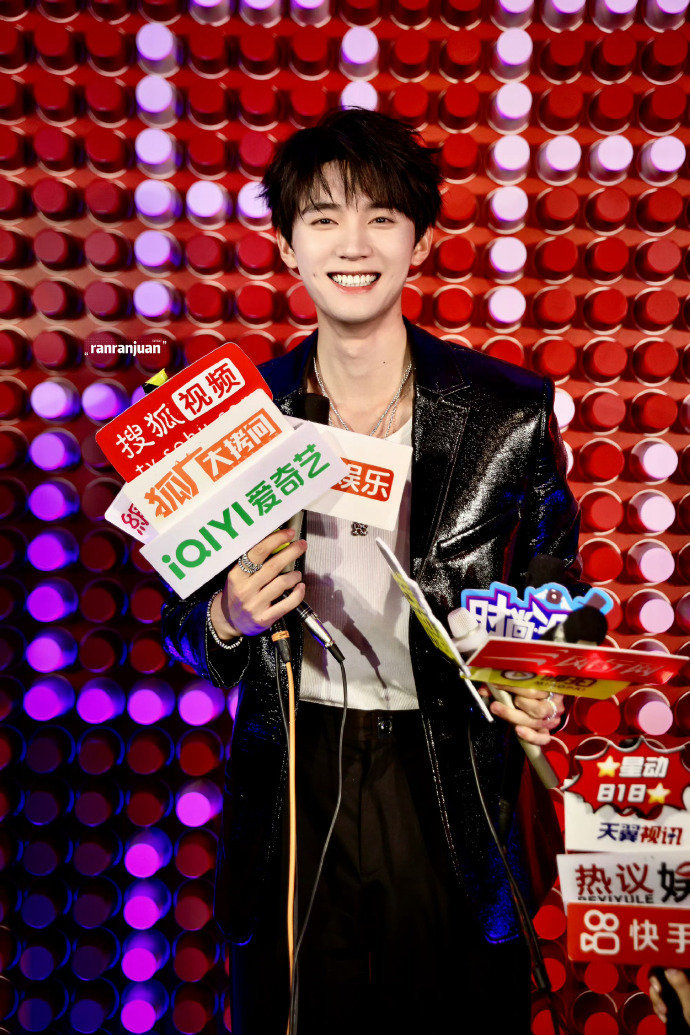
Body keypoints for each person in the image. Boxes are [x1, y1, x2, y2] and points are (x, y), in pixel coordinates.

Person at [161, 108, 588, 1035]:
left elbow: (563, 582)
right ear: (287, 245)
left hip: (450, 773)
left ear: (420, 241)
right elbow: (187, 628)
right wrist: (228, 616)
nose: (352, 244)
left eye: (381, 217)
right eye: (323, 218)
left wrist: (543, 675)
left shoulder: (507, 409)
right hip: (295, 773)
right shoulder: (238, 417)